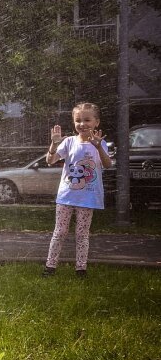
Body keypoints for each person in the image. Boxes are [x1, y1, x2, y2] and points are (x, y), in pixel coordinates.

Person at [42, 102, 112, 278]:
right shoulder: (68, 142)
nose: (82, 124)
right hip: (66, 196)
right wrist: (53, 144)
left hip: (87, 197)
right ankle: (50, 267)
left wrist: (97, 147)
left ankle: (81, 269)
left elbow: (107, 164)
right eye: (78, 120)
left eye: (87, 120)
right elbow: (50, 161)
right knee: (60, 231)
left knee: (82, 233)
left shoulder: (99, 143)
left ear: (96, 122)